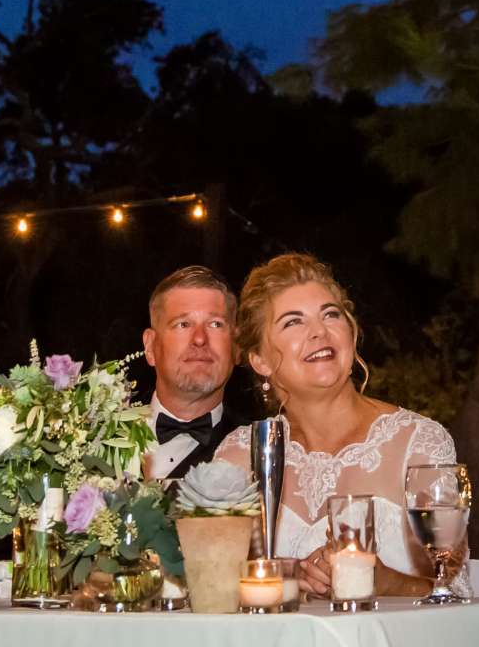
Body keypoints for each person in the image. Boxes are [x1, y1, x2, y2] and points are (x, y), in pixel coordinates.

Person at [209, 252, 450, 599]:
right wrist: (284, 584)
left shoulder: (418, 445)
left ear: (351, 334)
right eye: (293, 322)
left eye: (331, 315)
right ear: (259, 360)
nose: (319, 331)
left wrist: (385, 582)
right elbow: (210, 589)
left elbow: (454, 592)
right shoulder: (239, 455)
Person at [140, 265, 243, 483]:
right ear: (150, 347)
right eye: (183, 324)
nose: (199, 339)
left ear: (236, 347)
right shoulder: (94, 436)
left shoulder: (255, 449)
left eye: (215, 324)